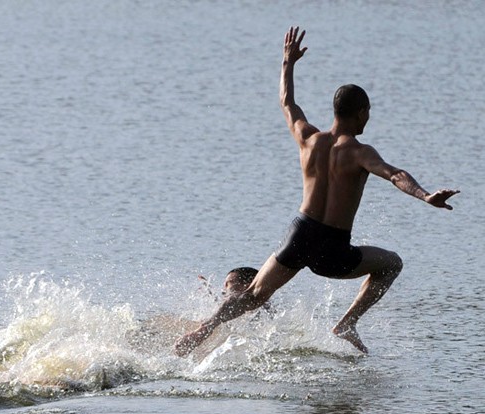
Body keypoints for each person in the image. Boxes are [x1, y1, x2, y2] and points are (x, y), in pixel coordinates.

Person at [175, 27, 459, 357]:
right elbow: (395, 175)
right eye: (368, 112)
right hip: (332, 249)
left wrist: (287, 63)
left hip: (300, 232)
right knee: (391, 264)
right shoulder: (360, 152)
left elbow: (287, 102)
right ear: (360, 112)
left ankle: (202, 331)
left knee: (252, 295)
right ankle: (347, 324)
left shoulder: (308, 138)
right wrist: (425, 196)